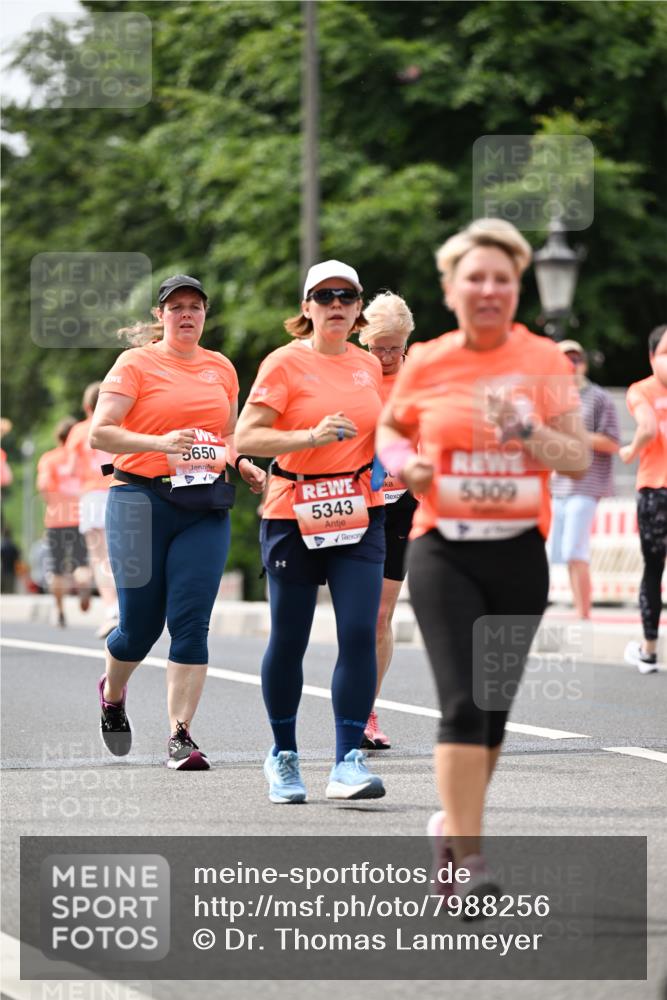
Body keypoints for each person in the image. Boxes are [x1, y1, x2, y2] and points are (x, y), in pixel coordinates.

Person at [376, 219, 589, 897]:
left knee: (492, 715)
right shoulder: (430, 361)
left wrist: (525, 429)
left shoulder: (543, 361)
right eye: (475, 277)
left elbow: (577, 458)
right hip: (443, 551)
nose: (488, 288)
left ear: (517, 287)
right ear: (450, 288)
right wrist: (404, 463)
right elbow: (390, 428)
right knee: (462, 705)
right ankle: (469, 862)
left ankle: (451, 824)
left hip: (518, 554)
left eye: (502, 278)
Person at [89, 274, 266, 769]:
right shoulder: (135, 364)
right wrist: (158, 444)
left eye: (195, 307)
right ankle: (113, 691)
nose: (186, 315)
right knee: (138, 629)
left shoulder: (221, 368)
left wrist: (244, 460)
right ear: (160, 316)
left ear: (205, 314)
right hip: (138, 502)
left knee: (190, 623)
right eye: (176, 307)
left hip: (203, 507)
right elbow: (99, 434)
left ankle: (180, 736)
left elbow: (228, 434)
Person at [234, 260, 387, 803]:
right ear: (306, 308)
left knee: (358, 632)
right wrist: (308, 435)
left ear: (359, 305)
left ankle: (347, 760)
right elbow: (245, 435)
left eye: (347, 296)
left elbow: (385, 433)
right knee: (291, 636)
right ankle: (283, 755)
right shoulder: (284, 363)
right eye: (324, 296)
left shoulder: (369, 365)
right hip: (291, 507)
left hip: (357, 508)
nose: (336, 305)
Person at [357, 291, 417, 750]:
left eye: (393, 347)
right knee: (356, 616)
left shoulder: (419, 377)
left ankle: (366, 712)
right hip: (353, 500)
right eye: (377, 346)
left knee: (380, 615)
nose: (385, 356)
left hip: (401, 501)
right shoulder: (350, 372)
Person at [548, 340, 620, 619]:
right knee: (563, 552)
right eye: (565, 359)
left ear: (584, 363)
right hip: (559, 484)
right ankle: (580, 609)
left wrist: (576, 437)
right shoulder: (553, 398)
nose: (571, 365)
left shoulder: (598, 397)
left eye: (575, 359)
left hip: (587, 484)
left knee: (574, 549)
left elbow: (612, 441)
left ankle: (583, 612)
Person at [620, 324, 667, 674]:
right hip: (655, 489)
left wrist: (630, 450)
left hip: (654, 491)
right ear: (652, 357)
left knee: (653, 568)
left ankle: (649, 651)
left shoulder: (642, 390)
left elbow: (648, 429)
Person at [66, 383, 119, 638]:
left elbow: (72, 470)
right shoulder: (120, 423)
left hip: (93, 496)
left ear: (87, 406)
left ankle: (112, 609)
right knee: (123, 553)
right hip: (122, 490)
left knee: (100, 556)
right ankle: (128, 605)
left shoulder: (78, 431)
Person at [36, 416, 90, 627]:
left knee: (57, 569)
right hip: (81, 517)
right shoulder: (82, 457)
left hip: (56, 520)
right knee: (82, 562)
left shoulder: (49, 459)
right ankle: (83, 586)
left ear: (58, 437)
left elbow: (43, 486)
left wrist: (52, 503)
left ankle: (59, 610)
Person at [1, 525, 20, 594]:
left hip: (3, 571)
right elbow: (18, 558)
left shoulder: (1, 546)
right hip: (12, 571)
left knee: (3, 593)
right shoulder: (13, 546)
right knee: (10, 592)